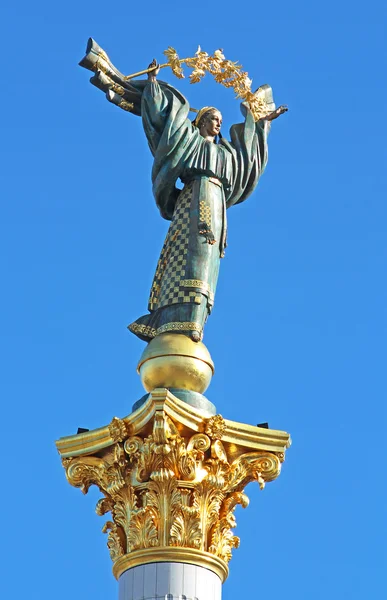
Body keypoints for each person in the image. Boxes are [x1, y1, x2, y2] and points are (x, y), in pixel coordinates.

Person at [128, 60, 287, 342]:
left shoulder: (226, 156)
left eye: (221, 122)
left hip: (216, 203)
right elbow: (166, 124)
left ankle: (196, 316)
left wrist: (262, 123)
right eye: (214, 119)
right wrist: (152, 82)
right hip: (193, 198)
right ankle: (173, 313)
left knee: (208, 259)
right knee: (191, 253)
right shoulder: (189, 142)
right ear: (201, 121)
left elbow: (248, 156)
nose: (219, 124)